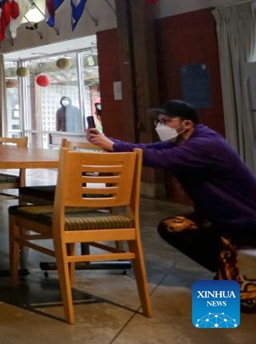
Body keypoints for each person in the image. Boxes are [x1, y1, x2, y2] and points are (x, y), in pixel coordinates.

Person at [86, 100, 256, 312]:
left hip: (245, 221)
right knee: (173, 227)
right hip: (220, 218)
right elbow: (145, 149)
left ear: (186, 124)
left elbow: (162, 158)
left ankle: (243, 271)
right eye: (160, 122)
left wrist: (111, 146)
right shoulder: (181, 141)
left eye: (167, 121)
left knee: (237, 304)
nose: (161, 126)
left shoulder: (207, 144)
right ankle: (229, 267)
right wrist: (108, 142)